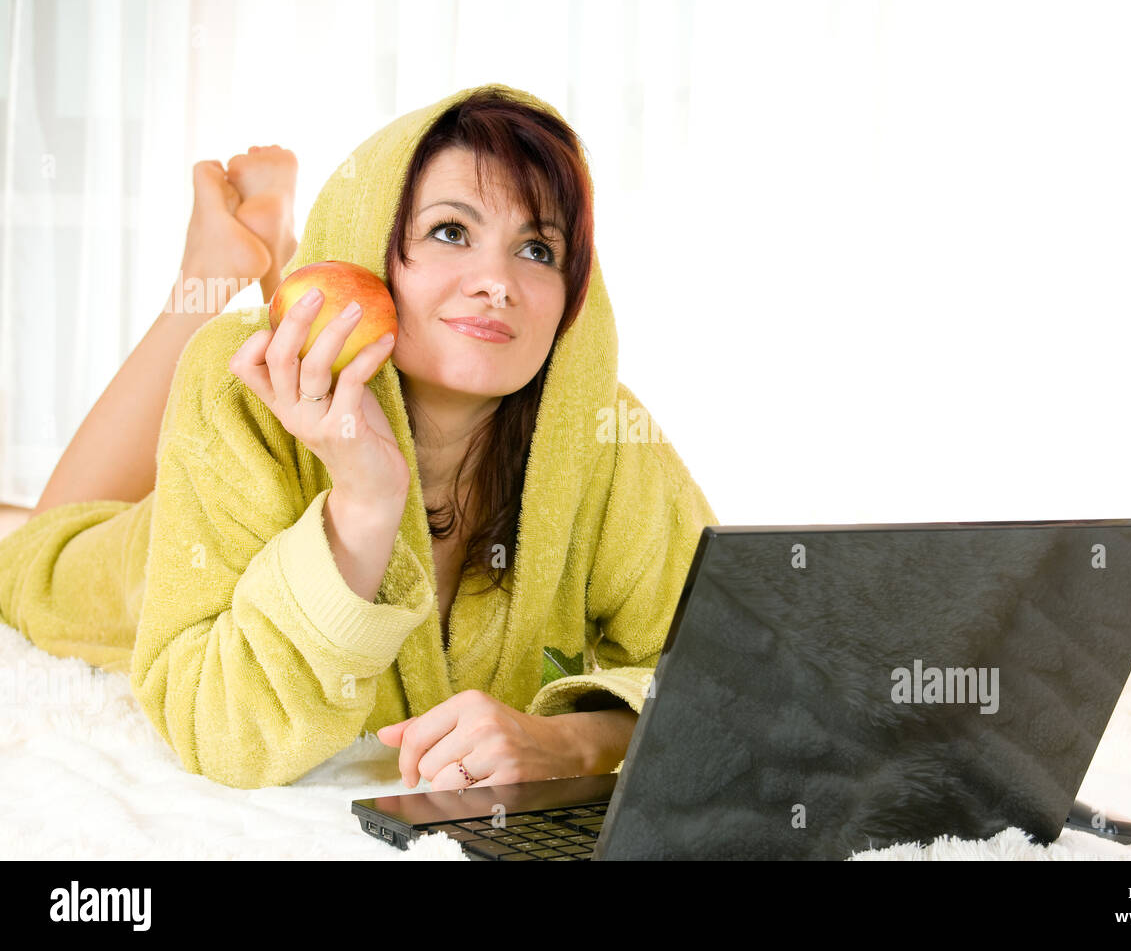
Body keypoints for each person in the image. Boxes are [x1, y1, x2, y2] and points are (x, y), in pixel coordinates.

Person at [0, 83, 718, 791]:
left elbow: (732, 670)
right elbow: (223, 735)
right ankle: (215, 269)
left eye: (536, 249)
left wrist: (571, 739)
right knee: (29, 554)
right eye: (451, 232)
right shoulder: (236, 396)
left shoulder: (598, 430)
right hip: (162, 546)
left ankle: (286, 258)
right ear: (371, 250)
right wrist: (365, 508)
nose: (496, 282)